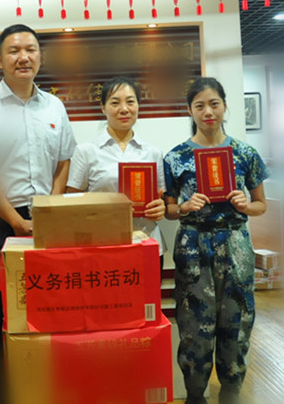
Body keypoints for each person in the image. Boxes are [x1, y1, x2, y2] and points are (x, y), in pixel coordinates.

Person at [0, 24, 77, 404]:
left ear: (41, 55)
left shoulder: (54, 106)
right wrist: (15, 220)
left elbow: (64, 161)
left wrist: (50, 208)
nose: (23, 57)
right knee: (1, 317)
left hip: (44, 220)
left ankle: (45, 393)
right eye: (13, 50)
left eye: (30, 49)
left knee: (48, 313)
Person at [163, 77, 269, 404]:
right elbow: (168, 210)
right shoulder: (176, 157)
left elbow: (261, 205)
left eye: (214, 104)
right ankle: (195, 394)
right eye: (200, 106)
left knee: (237, 322)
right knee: (194, 324)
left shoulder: (245, 153)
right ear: (190, 110)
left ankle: (232, 392)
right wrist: (184, 206)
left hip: (235, 243)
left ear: (224, 106)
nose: (208, 112)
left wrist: (245, 205)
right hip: (193, 245)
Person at [66, 77, 166, 274]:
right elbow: (72, 202)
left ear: (138, 106)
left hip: (147, 243)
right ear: (103, 108)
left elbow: (160, 199)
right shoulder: (86, 151)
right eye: (115, 102)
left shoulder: (152, 153)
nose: (124, 109)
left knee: (147, 295)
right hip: (101, 247)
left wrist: (159, 209)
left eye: (130, 101)